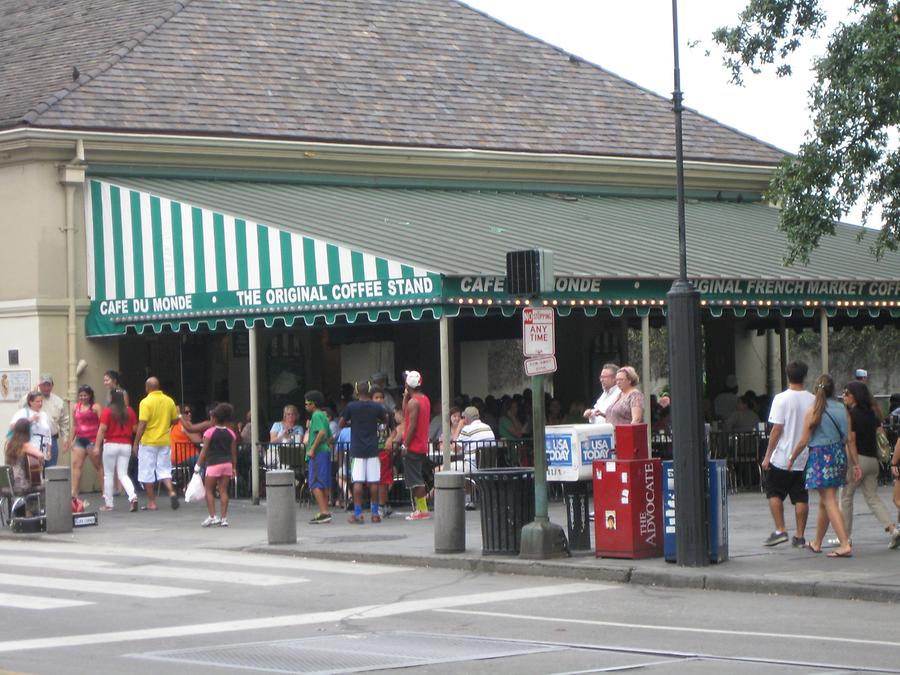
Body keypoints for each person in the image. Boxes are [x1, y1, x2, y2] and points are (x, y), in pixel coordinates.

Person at [787, 374, 860, 557]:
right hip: (838, 453)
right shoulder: (843, 409)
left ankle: (844, 543)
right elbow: (850, 439)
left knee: (829, 501)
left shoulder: (812, 410)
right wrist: (856, 464)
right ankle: (817, 542)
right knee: (825, 501)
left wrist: (791, 458)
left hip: (820, 455)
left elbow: (804, 440)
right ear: (833, 389)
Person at [761, 361, 815, 548]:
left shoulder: (781, 399)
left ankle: (780, 529)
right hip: (805, 456)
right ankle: (800, 536)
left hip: (783, 456)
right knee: (801, 496)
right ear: (805, 376)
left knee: (774, 491)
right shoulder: (813, 399)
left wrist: (767, 455)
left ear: (787, 376)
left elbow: (777, 429)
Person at [839, 381, 899, 545]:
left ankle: (845, 537)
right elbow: (881, 436)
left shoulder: (851, 414)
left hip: (857, 459)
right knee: (873, 497)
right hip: (873, 460)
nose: (844, 396)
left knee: (846, 497)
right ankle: (892, 528)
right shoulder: (873, 414)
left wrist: (855, 464)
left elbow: (851, 440)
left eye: (847, 393)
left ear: (855, 396)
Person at [339, 381, 388, 524]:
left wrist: (352, 423)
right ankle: (374, 513)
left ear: (356, 391)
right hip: (373, 448)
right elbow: (385, 419)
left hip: (357, 448)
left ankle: (358, 513)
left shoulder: (351, 407)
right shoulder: (376, 407)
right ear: (370, 391)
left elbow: (342, 423)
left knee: (357, 481)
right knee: (373, 481)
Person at [132, 377, 180, 511]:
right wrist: (165, 425)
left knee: (147, 472)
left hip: (148, 442)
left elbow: (142, 424)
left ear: (147, 387)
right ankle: (171, 491)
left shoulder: (145, 402)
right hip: (164, 441)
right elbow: (175, 420)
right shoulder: (169, 400)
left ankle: (152, 502)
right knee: (164, 470)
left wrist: (136, 443)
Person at [94, 389, 139, 512]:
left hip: (111, 444)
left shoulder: (108, 411)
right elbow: (135, 428)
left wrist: (97, 446)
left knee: (108, 475)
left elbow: (102, 429)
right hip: (126, 445)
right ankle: (133, 496)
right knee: (123, 474)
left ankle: (109, 504)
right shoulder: (129, 411)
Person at [195, 402, 237, 527]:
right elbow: (234, 453)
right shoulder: (231, 433)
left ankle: (213, 516)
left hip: (213, 464)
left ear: (215, 418)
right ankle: (224, 519)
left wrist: (197, 465)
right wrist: (234, 467)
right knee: (223, 491)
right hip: (227, 464)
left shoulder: (209, 432)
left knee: (209, 490)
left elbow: (204, 451)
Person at [400, 370, 432, 520]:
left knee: (415, 479)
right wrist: (406, 397)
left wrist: (405, 445)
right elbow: (405, 413)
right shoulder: (424, 399)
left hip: (413, 445)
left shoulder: (414, 402)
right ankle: (421, 509)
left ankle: (422, 510)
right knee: (416, 477)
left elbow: (411, 425)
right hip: (421, 444)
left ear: (407, 384)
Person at [18, 374, 68, 468]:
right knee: (33, 471)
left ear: (52, 386)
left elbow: (64, 422)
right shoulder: (31, 399)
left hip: (51, 440)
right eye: (43, 385)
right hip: (32, 439)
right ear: (39, 385)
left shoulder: (59, 402)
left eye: (48, 385)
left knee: (50, 470)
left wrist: (65, 439)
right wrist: (31, 393)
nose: (46, 388)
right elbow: (21, 405)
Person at [452, 405, 496, 509]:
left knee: (440, 469)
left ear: (466, 419)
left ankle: (439, 499)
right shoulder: (487, 427)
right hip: (487, 466)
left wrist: (459, 427)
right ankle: (468, 501)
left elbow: (455, 448)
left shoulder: (467, 429)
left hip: (473, 466)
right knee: (465, 472)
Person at [67, 384, 103, 504]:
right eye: (81, 395)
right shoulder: (75, 407)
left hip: (92, 439)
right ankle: (74, 491)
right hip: (80, 439)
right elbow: (75, 425)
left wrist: (99, 442)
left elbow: (102, 425)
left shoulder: (95, 407)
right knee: (76, 465)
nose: (83, 397)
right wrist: (71, 441)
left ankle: (104, 491)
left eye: (85, 395)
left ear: (90, 396)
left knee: (98, 466)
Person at [304, 390, 333, 524]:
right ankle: (325, 510)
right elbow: (330, 436)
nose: (305, 405)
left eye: (307, 403)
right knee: (323, 482)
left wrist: (312, 449)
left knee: (315, 483)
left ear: (313, 404)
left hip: (317, 453)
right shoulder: (323, 415)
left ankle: (323, 511)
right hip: (325, 451)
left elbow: (321, 433)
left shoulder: (316, 416)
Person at [4, 419, 44, 516]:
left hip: (9, 485)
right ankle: (31, 513)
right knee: (42, 485)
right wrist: (40, 463)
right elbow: (40, 455)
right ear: (27, 430)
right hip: (20, 485)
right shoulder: (25, 445)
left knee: (34, 483)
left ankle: (25, 512)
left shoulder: (9, 444)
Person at [10, 391, 54, 464]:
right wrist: (30, 419)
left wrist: (49, 450)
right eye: (37, 401)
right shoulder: (24, 412)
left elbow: (48, 434)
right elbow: (13, 426)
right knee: (30, 472)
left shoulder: (44, 414)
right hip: (29, 449)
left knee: (40, 473)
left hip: (42, 449)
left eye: (41, 401)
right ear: (30, 402)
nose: (40, 403)